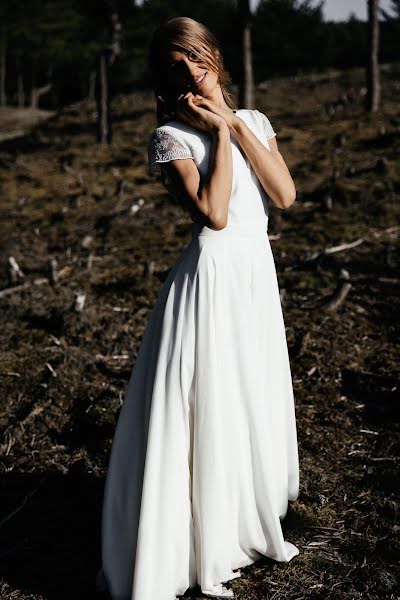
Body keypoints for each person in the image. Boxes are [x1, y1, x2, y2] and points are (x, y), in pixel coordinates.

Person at [96, 16, 300, 600]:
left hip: (252, 276)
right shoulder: (172, 137)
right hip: (209, 280)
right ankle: (194, 536)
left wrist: (233, 124)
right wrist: (219, 136)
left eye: (195, 54)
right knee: (207, 401)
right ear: (167, 76)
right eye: (176, 63)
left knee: (246, 394)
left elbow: (283, 195)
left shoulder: (254, 121)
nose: (190, 67)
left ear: (212, 53)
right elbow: (214, 213)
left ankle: (240, 517)